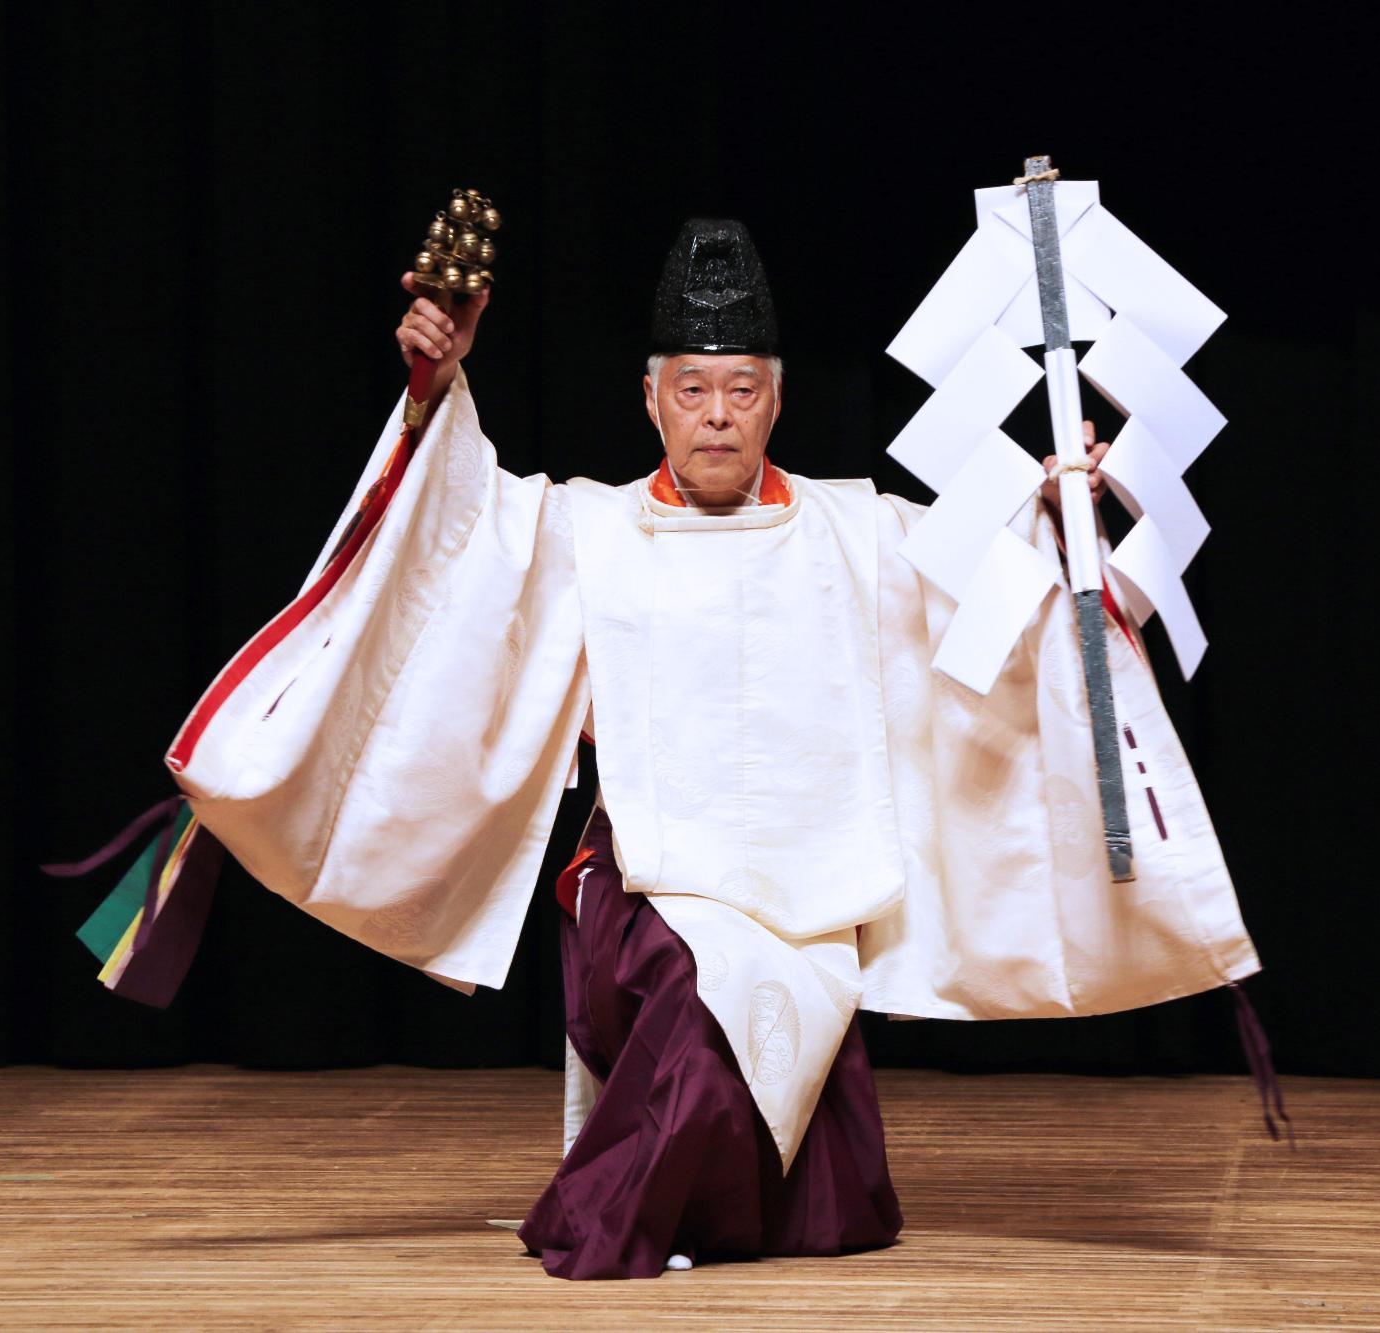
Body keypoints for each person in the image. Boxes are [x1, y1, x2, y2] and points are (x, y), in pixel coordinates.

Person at [164, 219, 1260, 1280]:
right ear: (650, 398)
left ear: (777, 397)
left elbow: (992, 612)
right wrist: (431, 391)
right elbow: (449, 541)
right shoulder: (582, 529)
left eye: (741, 389)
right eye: (691, 389)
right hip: (644, 885)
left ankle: (681, 1196)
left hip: (807, 896)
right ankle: (603, 1224)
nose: (717, 417)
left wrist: (1059, 504)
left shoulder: (857, 528)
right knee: (699, 987)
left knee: (824, 1207)